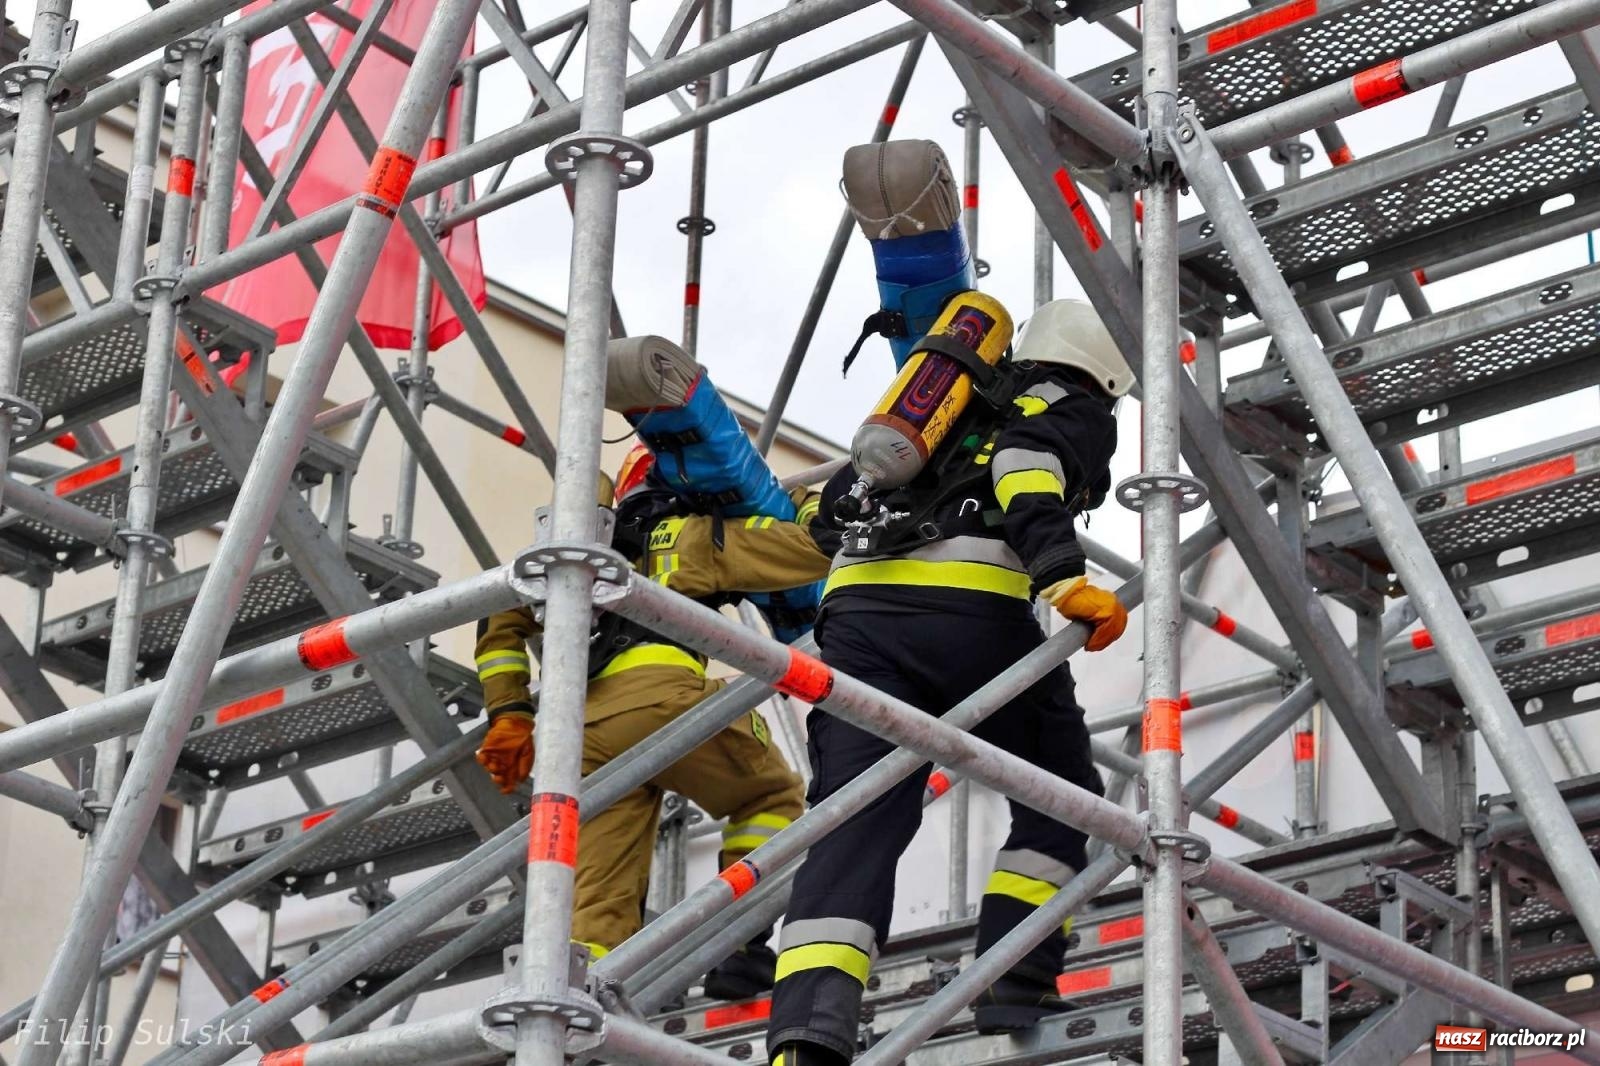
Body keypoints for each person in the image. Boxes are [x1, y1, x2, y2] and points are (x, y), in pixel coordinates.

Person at [765, 296, 1132, 1066]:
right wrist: (1063, 578)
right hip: (972, 618)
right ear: (1109, 371)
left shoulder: (946, 407)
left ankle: (808, 1037)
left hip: (857, 624)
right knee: (1061, 799)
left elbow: (829, 516)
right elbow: (1024, 469)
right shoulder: (1073, 403)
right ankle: (1012, 976)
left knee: (854, 822)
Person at [473, 445, 829, 999]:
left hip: (582, 734)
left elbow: (498, 623)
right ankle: (737, 947)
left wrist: (510, 715)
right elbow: (812, 552)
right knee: (769, 797)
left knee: (598, 901)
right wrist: (799, 505)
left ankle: (577, 1016)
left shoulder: (568, 556)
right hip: (665, 700)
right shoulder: (687, 536)